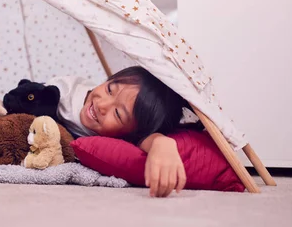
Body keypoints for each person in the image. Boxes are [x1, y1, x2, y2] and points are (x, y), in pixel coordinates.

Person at [46, 67, 196, 198]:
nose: (101, 105)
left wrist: (162, 143)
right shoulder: (63, 94)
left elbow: (143, 139)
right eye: (109, 89)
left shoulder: (126, 135)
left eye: (118, 114)